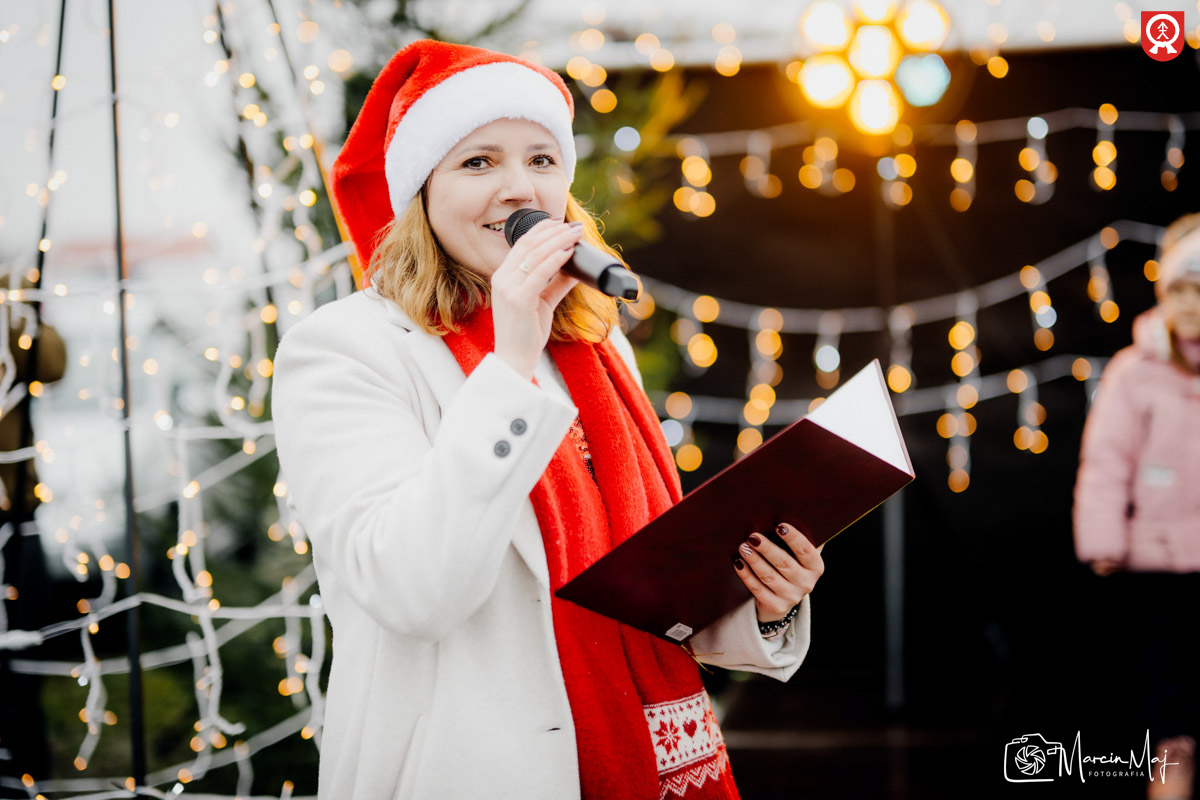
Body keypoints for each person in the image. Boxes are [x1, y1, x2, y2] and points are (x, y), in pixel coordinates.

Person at [271, 40, 824, 799]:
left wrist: (762, 601)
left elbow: (648, 591)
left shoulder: (596, 344)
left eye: (540, 160)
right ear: (420, 192)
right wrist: (510, 362)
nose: (518, 189)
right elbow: (410, 591)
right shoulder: (346, 348)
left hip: (655, 755)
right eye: (477, 163)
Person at [1074, 212, 1200, 799]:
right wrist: (1104, 540)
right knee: (1168, 707)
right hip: (1159, 565)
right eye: (1179, 290)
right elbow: (1106, 461)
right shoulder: (1135, 371)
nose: (1190, 304)